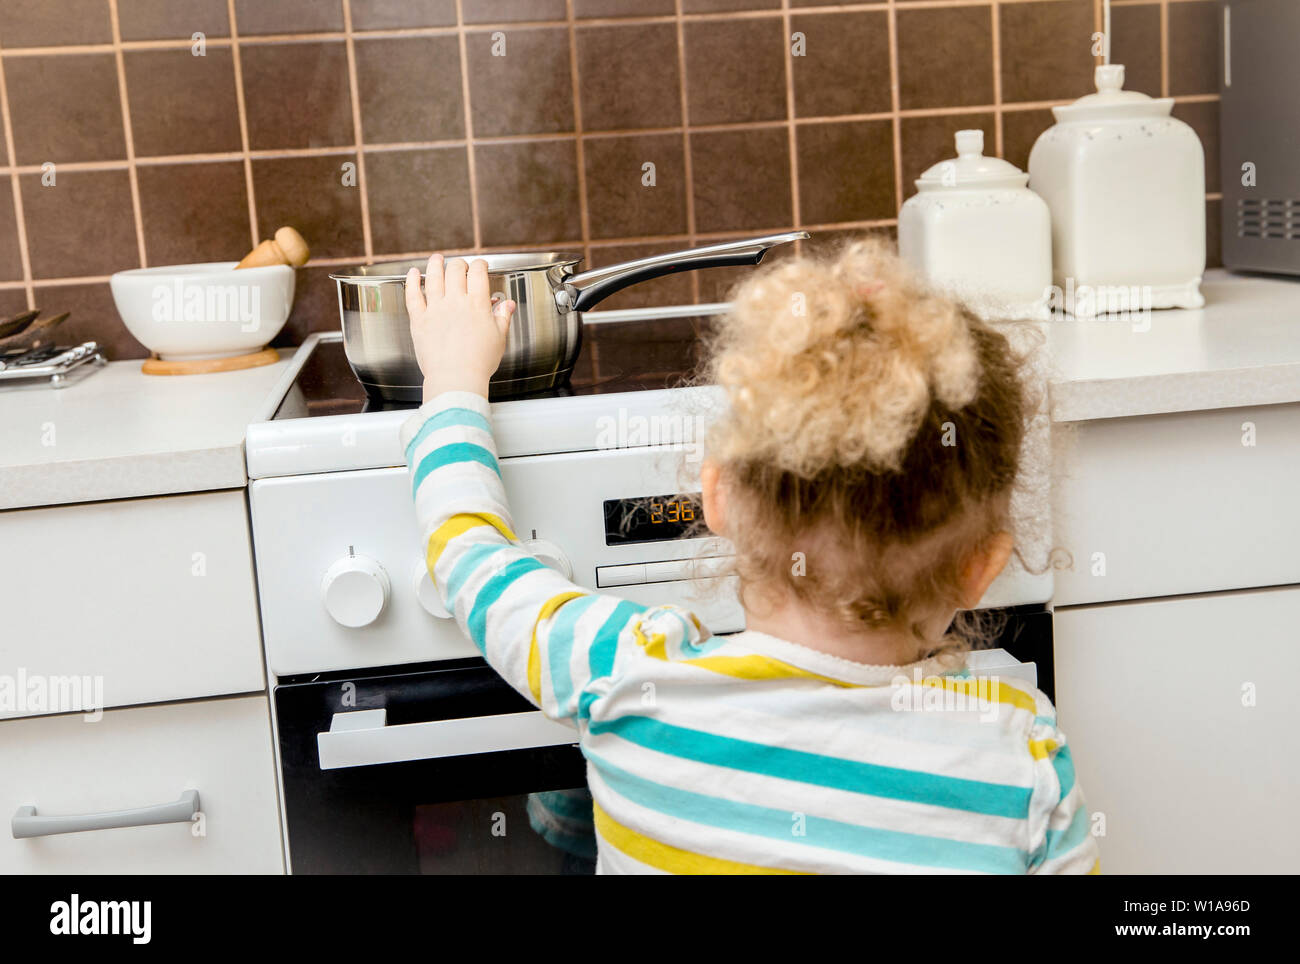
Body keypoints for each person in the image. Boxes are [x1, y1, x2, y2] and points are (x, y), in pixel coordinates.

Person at [399, 239, 1099, 874]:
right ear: (982, 566)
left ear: (718, 496)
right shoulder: (1018, 760)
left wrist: (453, 382)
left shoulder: (617, 672)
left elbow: (468, 552)